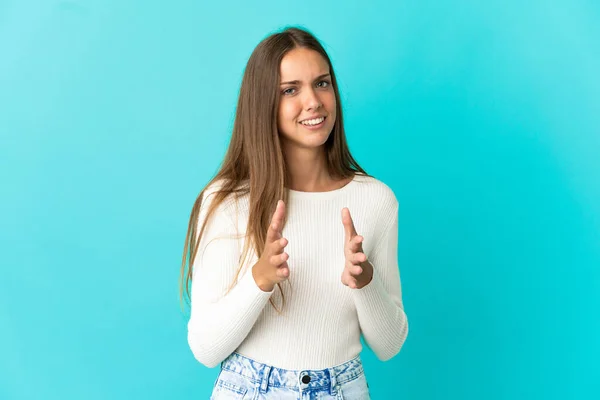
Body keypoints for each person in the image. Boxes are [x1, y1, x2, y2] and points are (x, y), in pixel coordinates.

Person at [179, 26, 408, 400]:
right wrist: (260, 279)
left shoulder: (375, 200)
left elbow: (390, 345)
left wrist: (366, 282)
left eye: (322, 84)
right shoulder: (228, 201)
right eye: (290, 90)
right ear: (263, 103)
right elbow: (205, 349)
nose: (313, 101)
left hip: (344, 387)